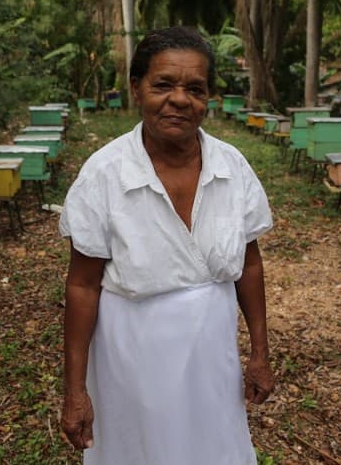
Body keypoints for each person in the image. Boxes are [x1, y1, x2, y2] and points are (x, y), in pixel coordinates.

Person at [59, 26, 274, 465]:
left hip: (211, 351)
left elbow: (249, 264)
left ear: (208, 98)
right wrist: (74, 391)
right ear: (136, 88)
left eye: (195, 89)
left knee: (214, 448)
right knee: (141, 450)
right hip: (132, 355)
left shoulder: (232, 167)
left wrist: (259, 353)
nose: (180, 99)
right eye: (163, 85)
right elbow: (82, 285)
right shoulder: (104, 174)